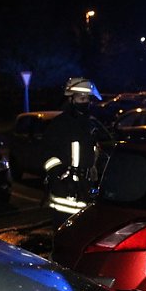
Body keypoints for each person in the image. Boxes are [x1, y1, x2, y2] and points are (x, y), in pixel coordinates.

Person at [42, 77, 103, 227]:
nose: (86, 102)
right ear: (70, 99)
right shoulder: (59, 124)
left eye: (88, 98)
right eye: (81, 98)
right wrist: (61, 175)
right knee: (65, 239)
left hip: (85, 189)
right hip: (64, 195)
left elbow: (96, 152)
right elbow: (46, 154)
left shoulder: (90, 124)